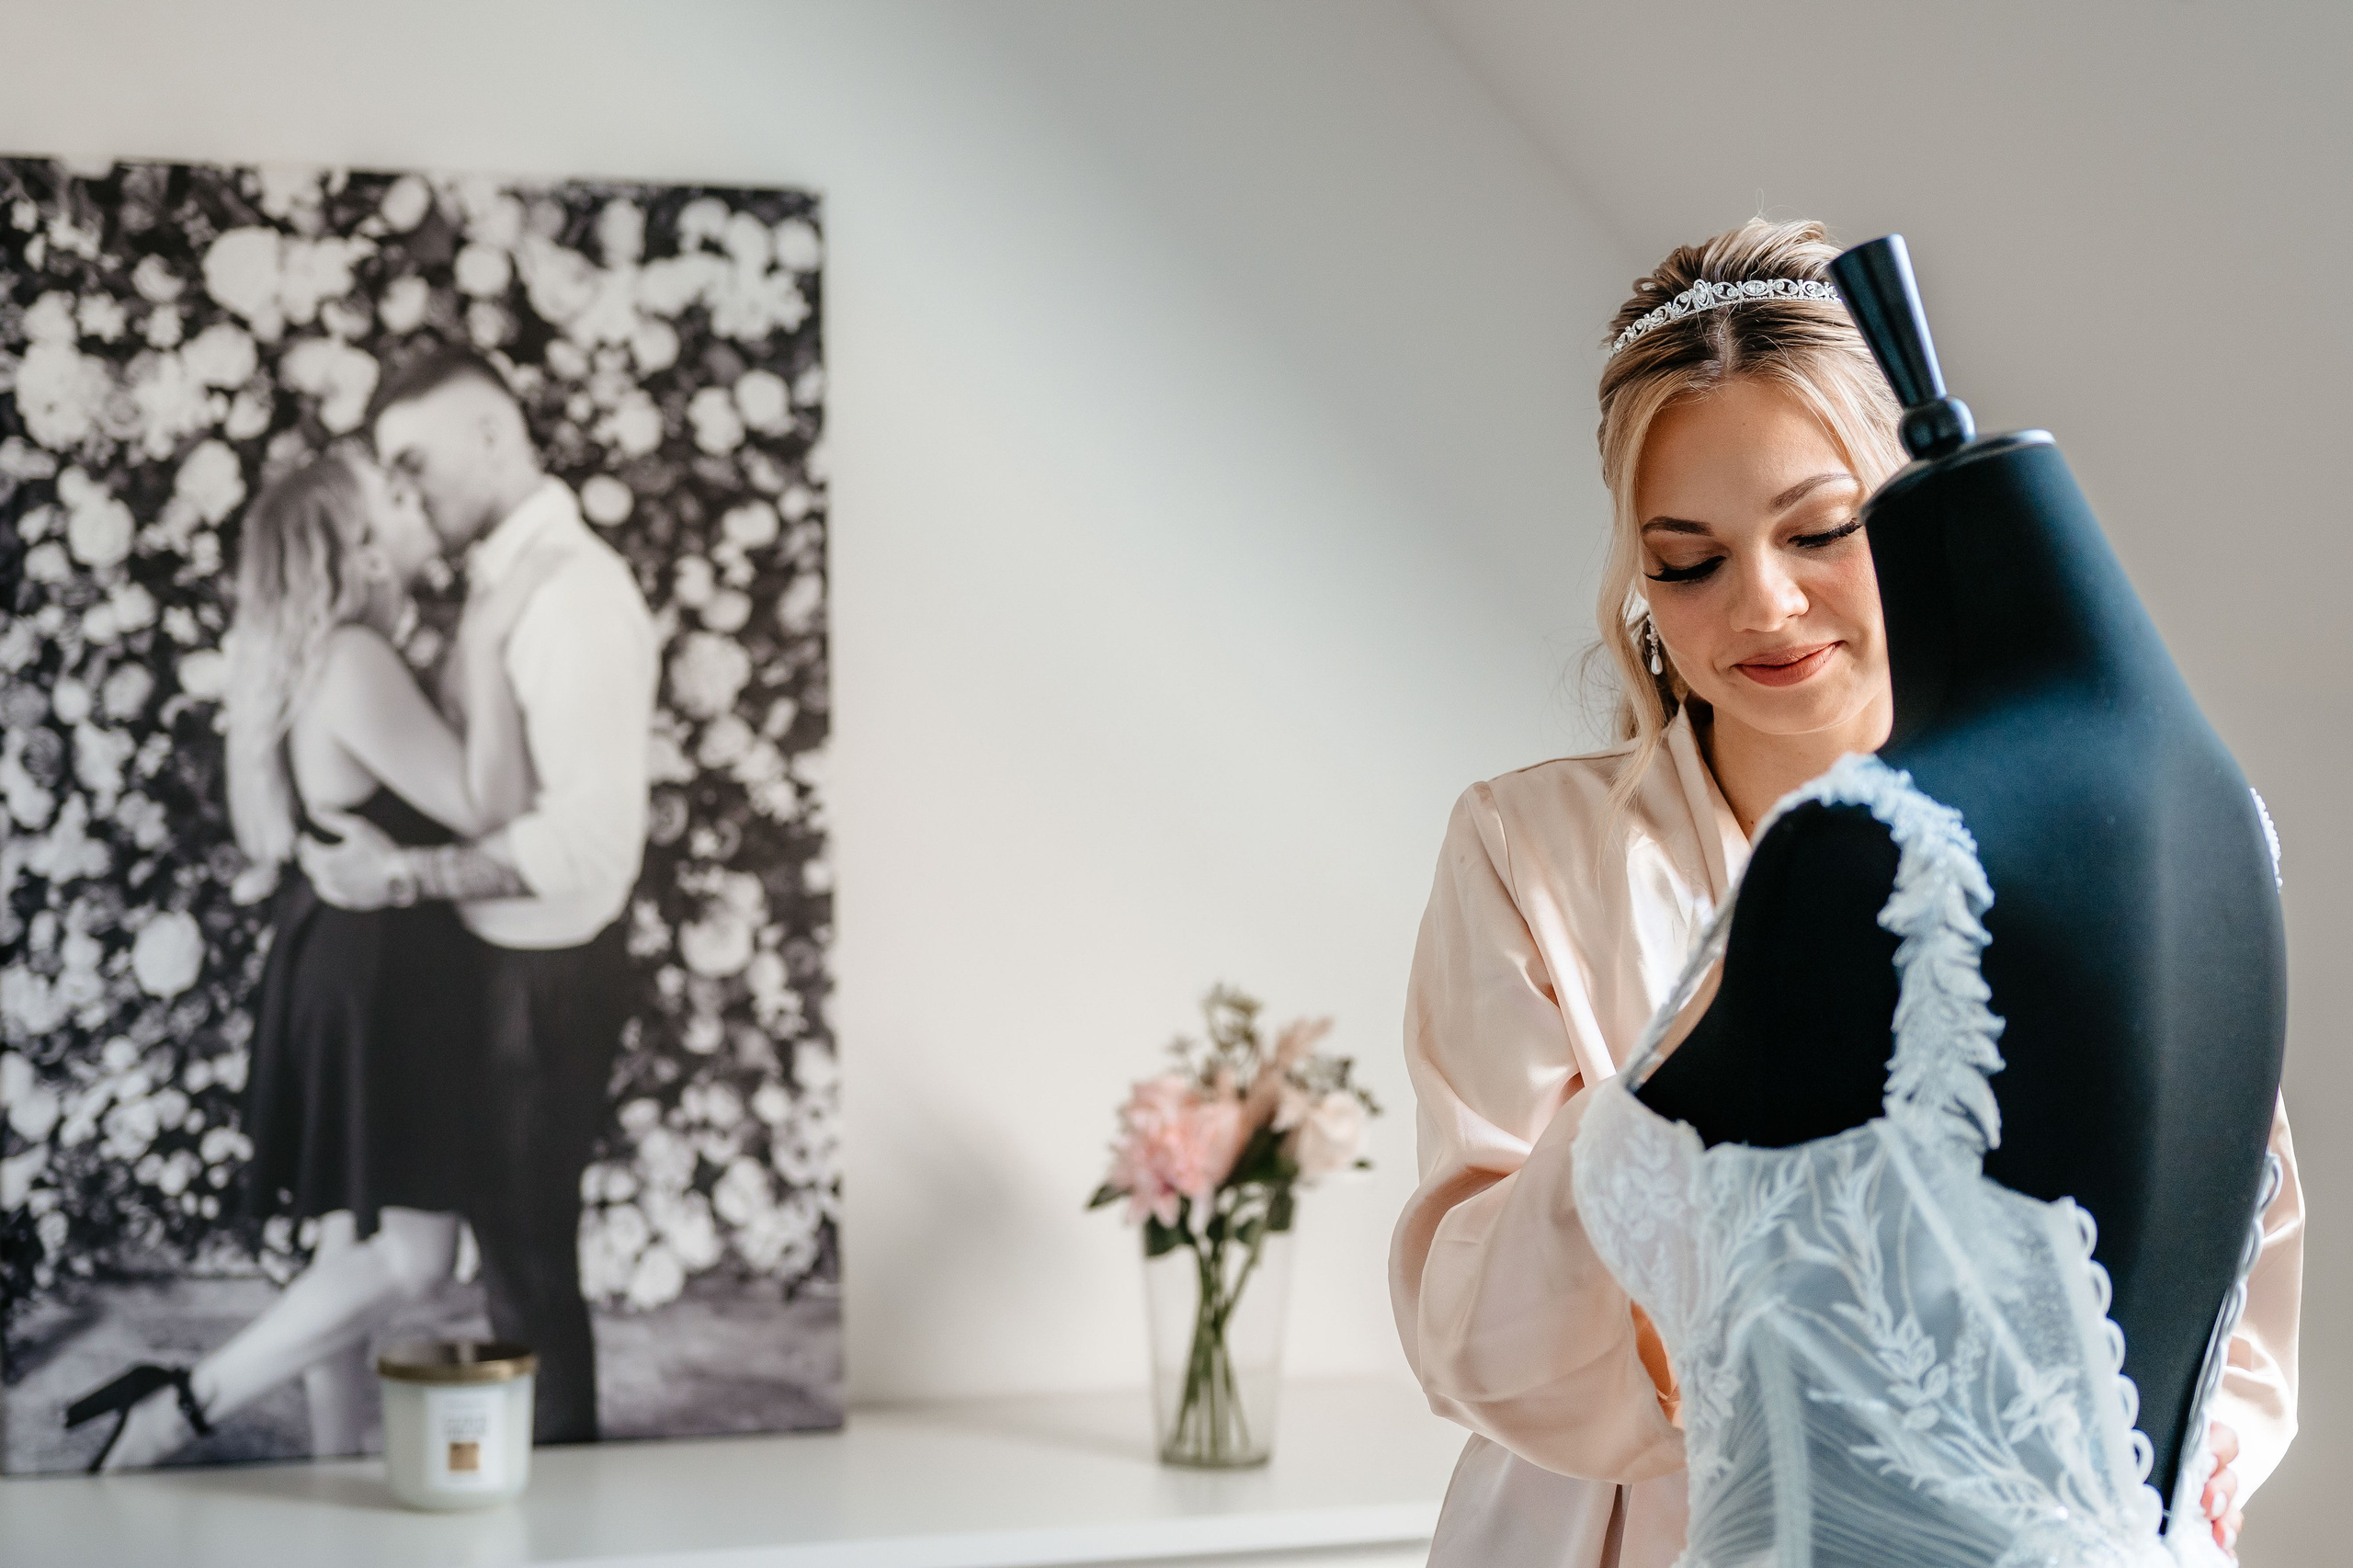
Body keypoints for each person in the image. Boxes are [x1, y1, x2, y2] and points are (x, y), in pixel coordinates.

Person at [1388, 220, 2302, 1567]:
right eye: (1687, 559)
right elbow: (1469, 1331)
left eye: (1820, 530)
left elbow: (2232, 1258)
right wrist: (1707, 1079)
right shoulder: (1531, 850)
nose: (1762, 603)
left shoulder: (2084, 829)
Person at [63, 449, 548, 1471]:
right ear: (358, 547)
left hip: (341, 958)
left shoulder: (330, 651)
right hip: (380, 972)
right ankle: (178, 1405)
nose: (418, 506)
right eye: (395, 499)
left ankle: (335, 1465)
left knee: (346, 1249)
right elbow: (486, 809)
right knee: (414, 1258)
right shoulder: (352, 657)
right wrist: (491, 632)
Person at [298, 346, 659, 1447]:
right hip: (493, 966)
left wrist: (404, 875)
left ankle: (568, 1509)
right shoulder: (501, 581)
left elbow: (591, 841)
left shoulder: (574, 590)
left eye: (416, 461)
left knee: (528, 1259)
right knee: (506, 1255)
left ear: (495, 435)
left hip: (541, 976)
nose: (403, 490)